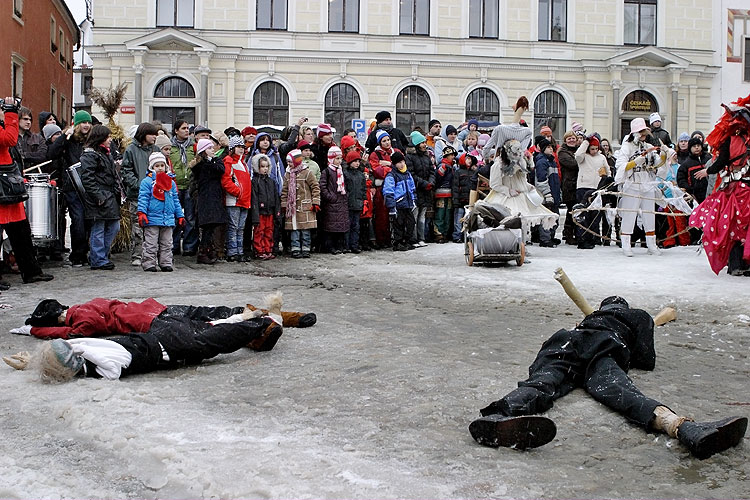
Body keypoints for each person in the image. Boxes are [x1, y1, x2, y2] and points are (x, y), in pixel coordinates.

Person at [469, 296, 748, 459]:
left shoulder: (590, 319)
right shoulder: (636, 316)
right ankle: (682, 427)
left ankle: (497, 417)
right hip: (604, 348)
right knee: (620, 391)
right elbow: (646, 360)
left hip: (566, 341)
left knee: (543, 381)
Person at [689, 94, 750, 276]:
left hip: (734, 190)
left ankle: (736, 265)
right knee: (744, 227)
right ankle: (744, 264)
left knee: (731, 226)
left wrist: (708, 171)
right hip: (746, 190)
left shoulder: (729, 140)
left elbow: (721, 161)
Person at [0, 97, 54, 287]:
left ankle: (31, 271)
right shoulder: (6, 124)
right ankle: (29, 271)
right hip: (2, 187)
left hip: (7, 186)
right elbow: (9, 139)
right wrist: (11, 114)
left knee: (22, 233)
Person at [615, 118, 673, 257]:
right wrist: (634, 162)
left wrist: (664, 154)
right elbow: (620, 166)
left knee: (649, 214)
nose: (644, 136)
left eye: (645, 133)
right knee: (629, 213)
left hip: (647, 183)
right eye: (641, 133)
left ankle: (651, 244)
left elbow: (658, 166)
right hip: (632, 183)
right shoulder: (626, 147)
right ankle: (626, 244)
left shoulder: (648, 146)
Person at [47, 109, 92, 266]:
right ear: (77, 124)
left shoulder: (91, 141)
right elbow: (51, 153)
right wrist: (65, 137)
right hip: (72, 187)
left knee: (88, 222)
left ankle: (84, 252)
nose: (86, 125)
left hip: (89, 188)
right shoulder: (69, 140)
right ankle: (77, 255)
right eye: (83, 122)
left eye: (88, 122)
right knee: (78, 220)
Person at [79, 124, 123, 271]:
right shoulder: (91, 155)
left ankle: (100, 256)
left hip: (108, 195)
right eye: (107, 137)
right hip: (100, 196)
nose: (110, 140)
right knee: (99, 228)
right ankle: (98, 258)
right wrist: (98, 195)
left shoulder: (104, 153)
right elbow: (87, 179)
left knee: (113, 226)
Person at [137, 152, 184, 272]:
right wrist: (142, 213)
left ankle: (166, 262)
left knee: (167, 243)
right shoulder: (147, 182)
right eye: (156, 166)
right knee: (151, 243)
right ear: (151, 167)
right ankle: (149, 263)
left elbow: (175, 200)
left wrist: (179, 215)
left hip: (167, 218)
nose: (159, 168)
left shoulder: (171, 183)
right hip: (152, 218)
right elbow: (143, 198)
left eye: (162, 165)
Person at [121, 122, 159, 267]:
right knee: (137, 226)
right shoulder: (131, 150)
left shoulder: (155, 150)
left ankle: (151, 254)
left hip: (154, 194)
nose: (155, 137)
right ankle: (137, 255)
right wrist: (138, 185)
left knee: (153, 226)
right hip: (136, 195)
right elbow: (126, 170)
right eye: (152, 134)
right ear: (144, 135)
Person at [191, 138, 228, 265]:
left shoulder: (216, 161)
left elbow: (220, 170)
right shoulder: (200, 166)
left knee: (213, 225)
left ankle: (209, 249)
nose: (213, 150)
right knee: (207, 226)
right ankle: (203, 251)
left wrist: (211, 161)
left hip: (215, 197)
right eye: (210, 148)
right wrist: (207, 162)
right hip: (205, 198)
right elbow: (199, 174)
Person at [281, 149, 320, 259]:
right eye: (288, 162)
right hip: (292, 207)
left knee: (305, 230)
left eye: (290, 162)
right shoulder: (288, 174)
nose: (289, 164)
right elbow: (285, 190)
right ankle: (295, 248)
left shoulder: (307, 172)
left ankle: (306, 248)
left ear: (297, 161)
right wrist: (284, 204)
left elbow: (315, 187)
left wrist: (315, 202)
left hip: (305, 206)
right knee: (295, 230)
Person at [574, 135, 610, 249]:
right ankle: (582, 238)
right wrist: (585, 142)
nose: (594, 151)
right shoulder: (583, 156)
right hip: (584, 186)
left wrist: (605, 182)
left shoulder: (602, 157)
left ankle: (592, 238)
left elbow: (608, 171)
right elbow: (577, 155)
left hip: (597, 188)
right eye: (592, 148)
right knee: (583, 214)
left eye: (596, 148)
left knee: (595, 215)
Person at [170, 119, 199, 256]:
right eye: (183, 128)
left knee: (190, 217)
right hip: (175, 185)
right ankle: (173, 245)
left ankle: (189, 246)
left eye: (188, 128)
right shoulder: (170, 147)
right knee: (175, 217)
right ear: (176, 131)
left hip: (189, 185)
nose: (187, 130)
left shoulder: (193, 146)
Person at [222, 135, 252, 262]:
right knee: (233, 227)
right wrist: (237, 192)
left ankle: (239, 251)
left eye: (242, 147)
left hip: (244, 200)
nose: (241, 149)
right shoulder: (229, 161)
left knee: (240, 228)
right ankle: (232, 251)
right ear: (232, 148)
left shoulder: (243, 163)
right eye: (238, 147)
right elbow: (226, 181)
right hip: (234, 200)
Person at [405, 131, 435, 247]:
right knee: (415, 215)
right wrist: (424, 183)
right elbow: (411, 174)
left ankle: (421, 238)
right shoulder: (410, 157)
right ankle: (413, 238)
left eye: (424, 142)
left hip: (426, 190)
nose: (424, 144)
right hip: (416, 190)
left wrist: (431, 183)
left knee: (423, 214)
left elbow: (432, 171)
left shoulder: (426, 157)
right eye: (422, 142)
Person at [383, 151, 417, 251]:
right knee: (398, 225)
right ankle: (397, 242)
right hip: (398, 204)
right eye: (398, 162)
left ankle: (405, 241)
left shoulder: (407, 174)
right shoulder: (391, 175)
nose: (401, 164)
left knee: (411, 223)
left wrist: (413, 200)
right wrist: (392, 206)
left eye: (402, 162)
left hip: (408, 203)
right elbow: (388, 191)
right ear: (394, 164)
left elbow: (412, 188)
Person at [319, 146, 349, 254]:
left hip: (341, 202)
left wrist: (345, 196)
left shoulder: (342, 171)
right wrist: (330, 197)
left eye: (341, 158)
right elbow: (322, 187)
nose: (340, 161)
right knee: (331, 227)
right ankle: (330, 246)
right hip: (332, 203)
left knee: (341, 226)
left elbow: (346, 185)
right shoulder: (326, 171)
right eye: (337, 158)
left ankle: (340, 245)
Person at [251, 154, 280, 260]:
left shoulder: (271, 181)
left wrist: (277, 211)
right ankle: (259, 250)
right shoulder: (255, 181)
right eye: (262, 166)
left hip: (270, 211)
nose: (265, 169)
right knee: (259, 231)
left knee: (269, 231)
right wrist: (255, 214)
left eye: (267, 166)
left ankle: (268, 249)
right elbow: (254, 198)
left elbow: (276, 197)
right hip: (260, 211)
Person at [534, 138, 561, 248]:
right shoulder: (542, 162)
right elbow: (541, 180)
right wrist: (547, 194)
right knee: (546, 217)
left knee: (555, 216)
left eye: (552, 147)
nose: (551, 149)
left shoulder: (552, 162)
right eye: (548, 147)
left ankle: (551, 236)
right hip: (546, 195)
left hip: (554, 193)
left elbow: (556, 179)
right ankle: (545, 239)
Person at [343, 150, 367, 253]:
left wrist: (363, 201)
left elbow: (363, 189)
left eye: (358, 161)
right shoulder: (345, 174)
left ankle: (354, 245)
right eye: (355, 161)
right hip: (348, 203)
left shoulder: (360, 175)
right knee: (347, 225)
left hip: (357, 204)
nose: (357, 163)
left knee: (356, 226)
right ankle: (346, 245)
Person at [433, 145, 456, 243]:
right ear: (446, 156)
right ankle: (438, 234)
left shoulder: (451, 167)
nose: (453, 157)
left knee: (447, 215)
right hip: (441, 194)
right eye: (451, 155)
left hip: (449, 194)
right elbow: (437, 178)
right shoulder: (443, 166)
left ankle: (445, 234)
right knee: (440, 214)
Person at [452, 152, 476, 243]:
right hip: (461, 199)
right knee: (458, 218)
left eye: (470, 159)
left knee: (469, 218)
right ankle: (457, 235)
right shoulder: (458, 172)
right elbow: (455, 187)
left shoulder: (474, 172)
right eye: (467, 159)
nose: (469, 161)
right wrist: (455, 200)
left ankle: (467, 235)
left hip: (470, 200)